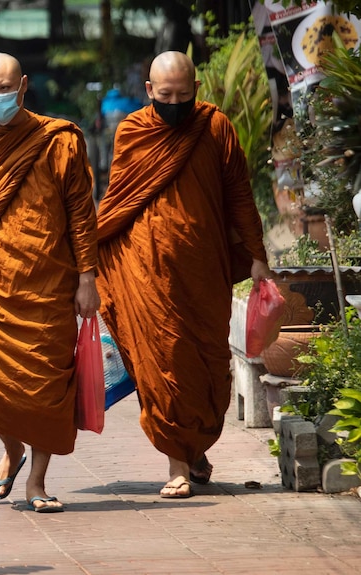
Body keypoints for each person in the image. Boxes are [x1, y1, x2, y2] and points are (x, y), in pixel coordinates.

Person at [95, 51, 271, 499]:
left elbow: (239, 196)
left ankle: (194, 449)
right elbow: (119, 199)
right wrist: (88, 253)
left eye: (184, 95)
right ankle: (176, 463)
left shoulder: (215, 128)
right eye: (166, 95)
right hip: (146, 268)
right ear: (149, 92)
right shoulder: (132, 131)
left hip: (203, 270)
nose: (175, 103)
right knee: (162, 364)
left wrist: (256, 255)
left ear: (196, 90)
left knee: (207, 367)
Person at [0, 53, 101, 513]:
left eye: (4, 88)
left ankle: (38, 480)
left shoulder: (59, 140)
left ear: (24, 85)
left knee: (48, 390)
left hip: (51, 285)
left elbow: (81, 212)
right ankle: (12, 453)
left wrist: (87, 277)